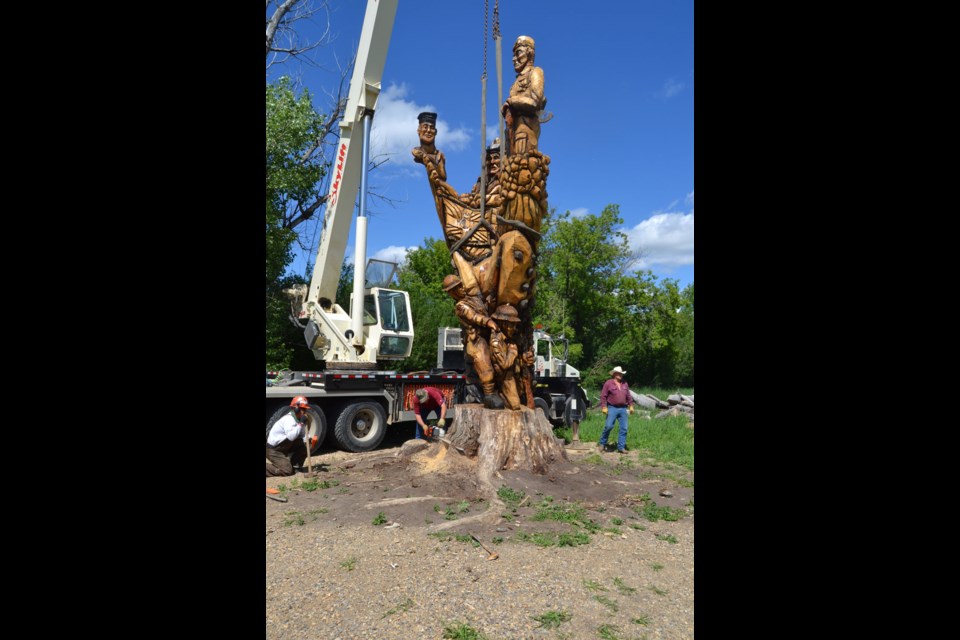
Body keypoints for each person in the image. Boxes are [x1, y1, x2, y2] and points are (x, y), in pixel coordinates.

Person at [443, 274, 503, 410]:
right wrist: (489, 322)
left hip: (486, 336)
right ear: (452, 293)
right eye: (456, 288)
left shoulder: (473, 298)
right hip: (475, 340)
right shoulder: (461, 307)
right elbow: (474, 317)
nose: (460, 289)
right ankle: (489, 395)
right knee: (483, 362)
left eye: (460, 286)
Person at [502, 35, 546, 155]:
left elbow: (535, 101)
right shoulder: (515, 83)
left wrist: (512, 101)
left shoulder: (535, 72)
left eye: (518, 53)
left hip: (526, 129)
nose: (514, 59)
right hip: (512, 132)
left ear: (529, 53)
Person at [266, 396, 311, 476]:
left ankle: (295, 466)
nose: (304, 412)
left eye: (305, 409)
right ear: (296, 408)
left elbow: (303, 435)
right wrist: (301, 423)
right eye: (302, 409)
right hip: (274, 450)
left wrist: (309, 439)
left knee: (303, 445)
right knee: (287, 471)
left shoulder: (298, 420)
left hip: (284, 447)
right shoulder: (288, 419)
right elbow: (291, 437)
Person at [598, 366, 635, 454]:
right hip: (612, 408)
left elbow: (628, 396)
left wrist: (631, 405)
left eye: (621, 373)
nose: (621, 375)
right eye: (619, 373)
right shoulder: (608, 383)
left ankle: (621, 447)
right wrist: (604, 407)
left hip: (623, 408)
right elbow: (603, 396)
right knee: (609, 426)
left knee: (624, 428)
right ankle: (602, 443)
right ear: (614, 374)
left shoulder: (625, 383)